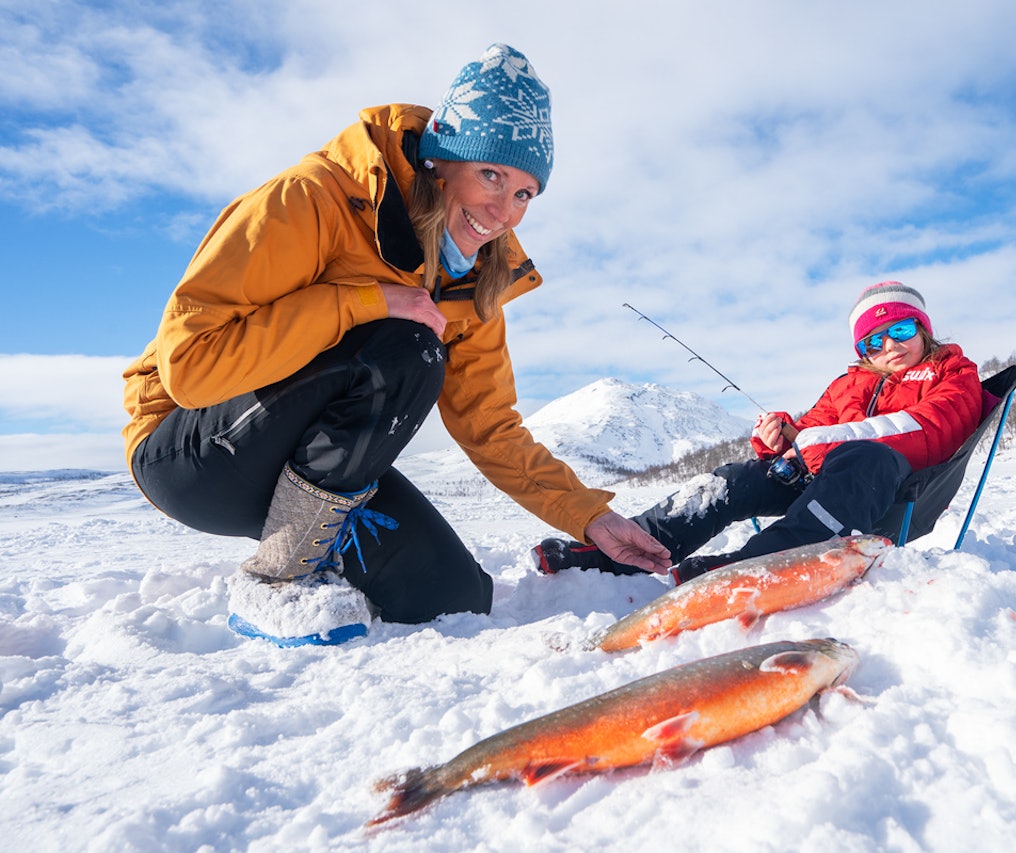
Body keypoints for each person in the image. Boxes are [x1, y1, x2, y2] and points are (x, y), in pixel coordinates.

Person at [122, 44, 669, 643]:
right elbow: (190, 368)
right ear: (441, 158)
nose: (504, 211)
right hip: (195, 453)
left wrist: (589, 516)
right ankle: (276, 581)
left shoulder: (472, 276)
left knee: (456, 599)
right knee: (406, 345)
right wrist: (365, 302)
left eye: (524, 193)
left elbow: (490, 426)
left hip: (306, 478)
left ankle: (314, 545)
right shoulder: (312, 198)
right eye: (491, 174)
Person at [533, 281, 984, 583]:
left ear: (923, 329)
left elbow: (931, 429)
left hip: (891, 497)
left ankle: (756, 564)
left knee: (868, 456)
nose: (889, 347)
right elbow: (812, 430)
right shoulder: (850, 382)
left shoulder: (953, 372)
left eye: (901, 330)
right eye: (873, 341)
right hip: (826, 489)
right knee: (733, 480)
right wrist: (781, 436)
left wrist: (816, 442)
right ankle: (625, 550)